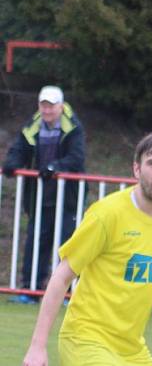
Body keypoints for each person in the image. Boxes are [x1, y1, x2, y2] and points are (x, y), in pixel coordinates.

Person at [22, 131, 152, 366]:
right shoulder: (106, 214)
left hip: (132, 349)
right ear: (136, 169)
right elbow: (61, 277)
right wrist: (37, 347)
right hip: (85, 340)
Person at [2, 85, 86, 303]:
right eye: (43, 106)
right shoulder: (33, 124)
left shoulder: (73, 127)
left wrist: (55, 167)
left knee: (68, 246)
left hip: (67, 198)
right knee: (35, 242)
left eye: (51, 106)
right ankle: (30, 290)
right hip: (40, 196)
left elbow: (76, 158)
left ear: (60, 106)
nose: (47, 111)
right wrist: (12, 164)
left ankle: (68, 293)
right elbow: (20, 147)